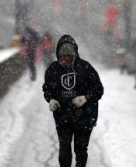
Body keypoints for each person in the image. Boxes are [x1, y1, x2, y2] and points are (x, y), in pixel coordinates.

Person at [42, 34, 104, 167]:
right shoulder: (53, 69)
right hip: (63, 116)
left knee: (80, 149)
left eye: (68, 56)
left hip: (85, 116)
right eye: (62, 56)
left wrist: (85, 98)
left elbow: (98, 89)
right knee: (64, 148)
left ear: (74, 54)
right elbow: (47, 88)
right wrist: (51, 99)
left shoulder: (85, 68)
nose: (65, 59)